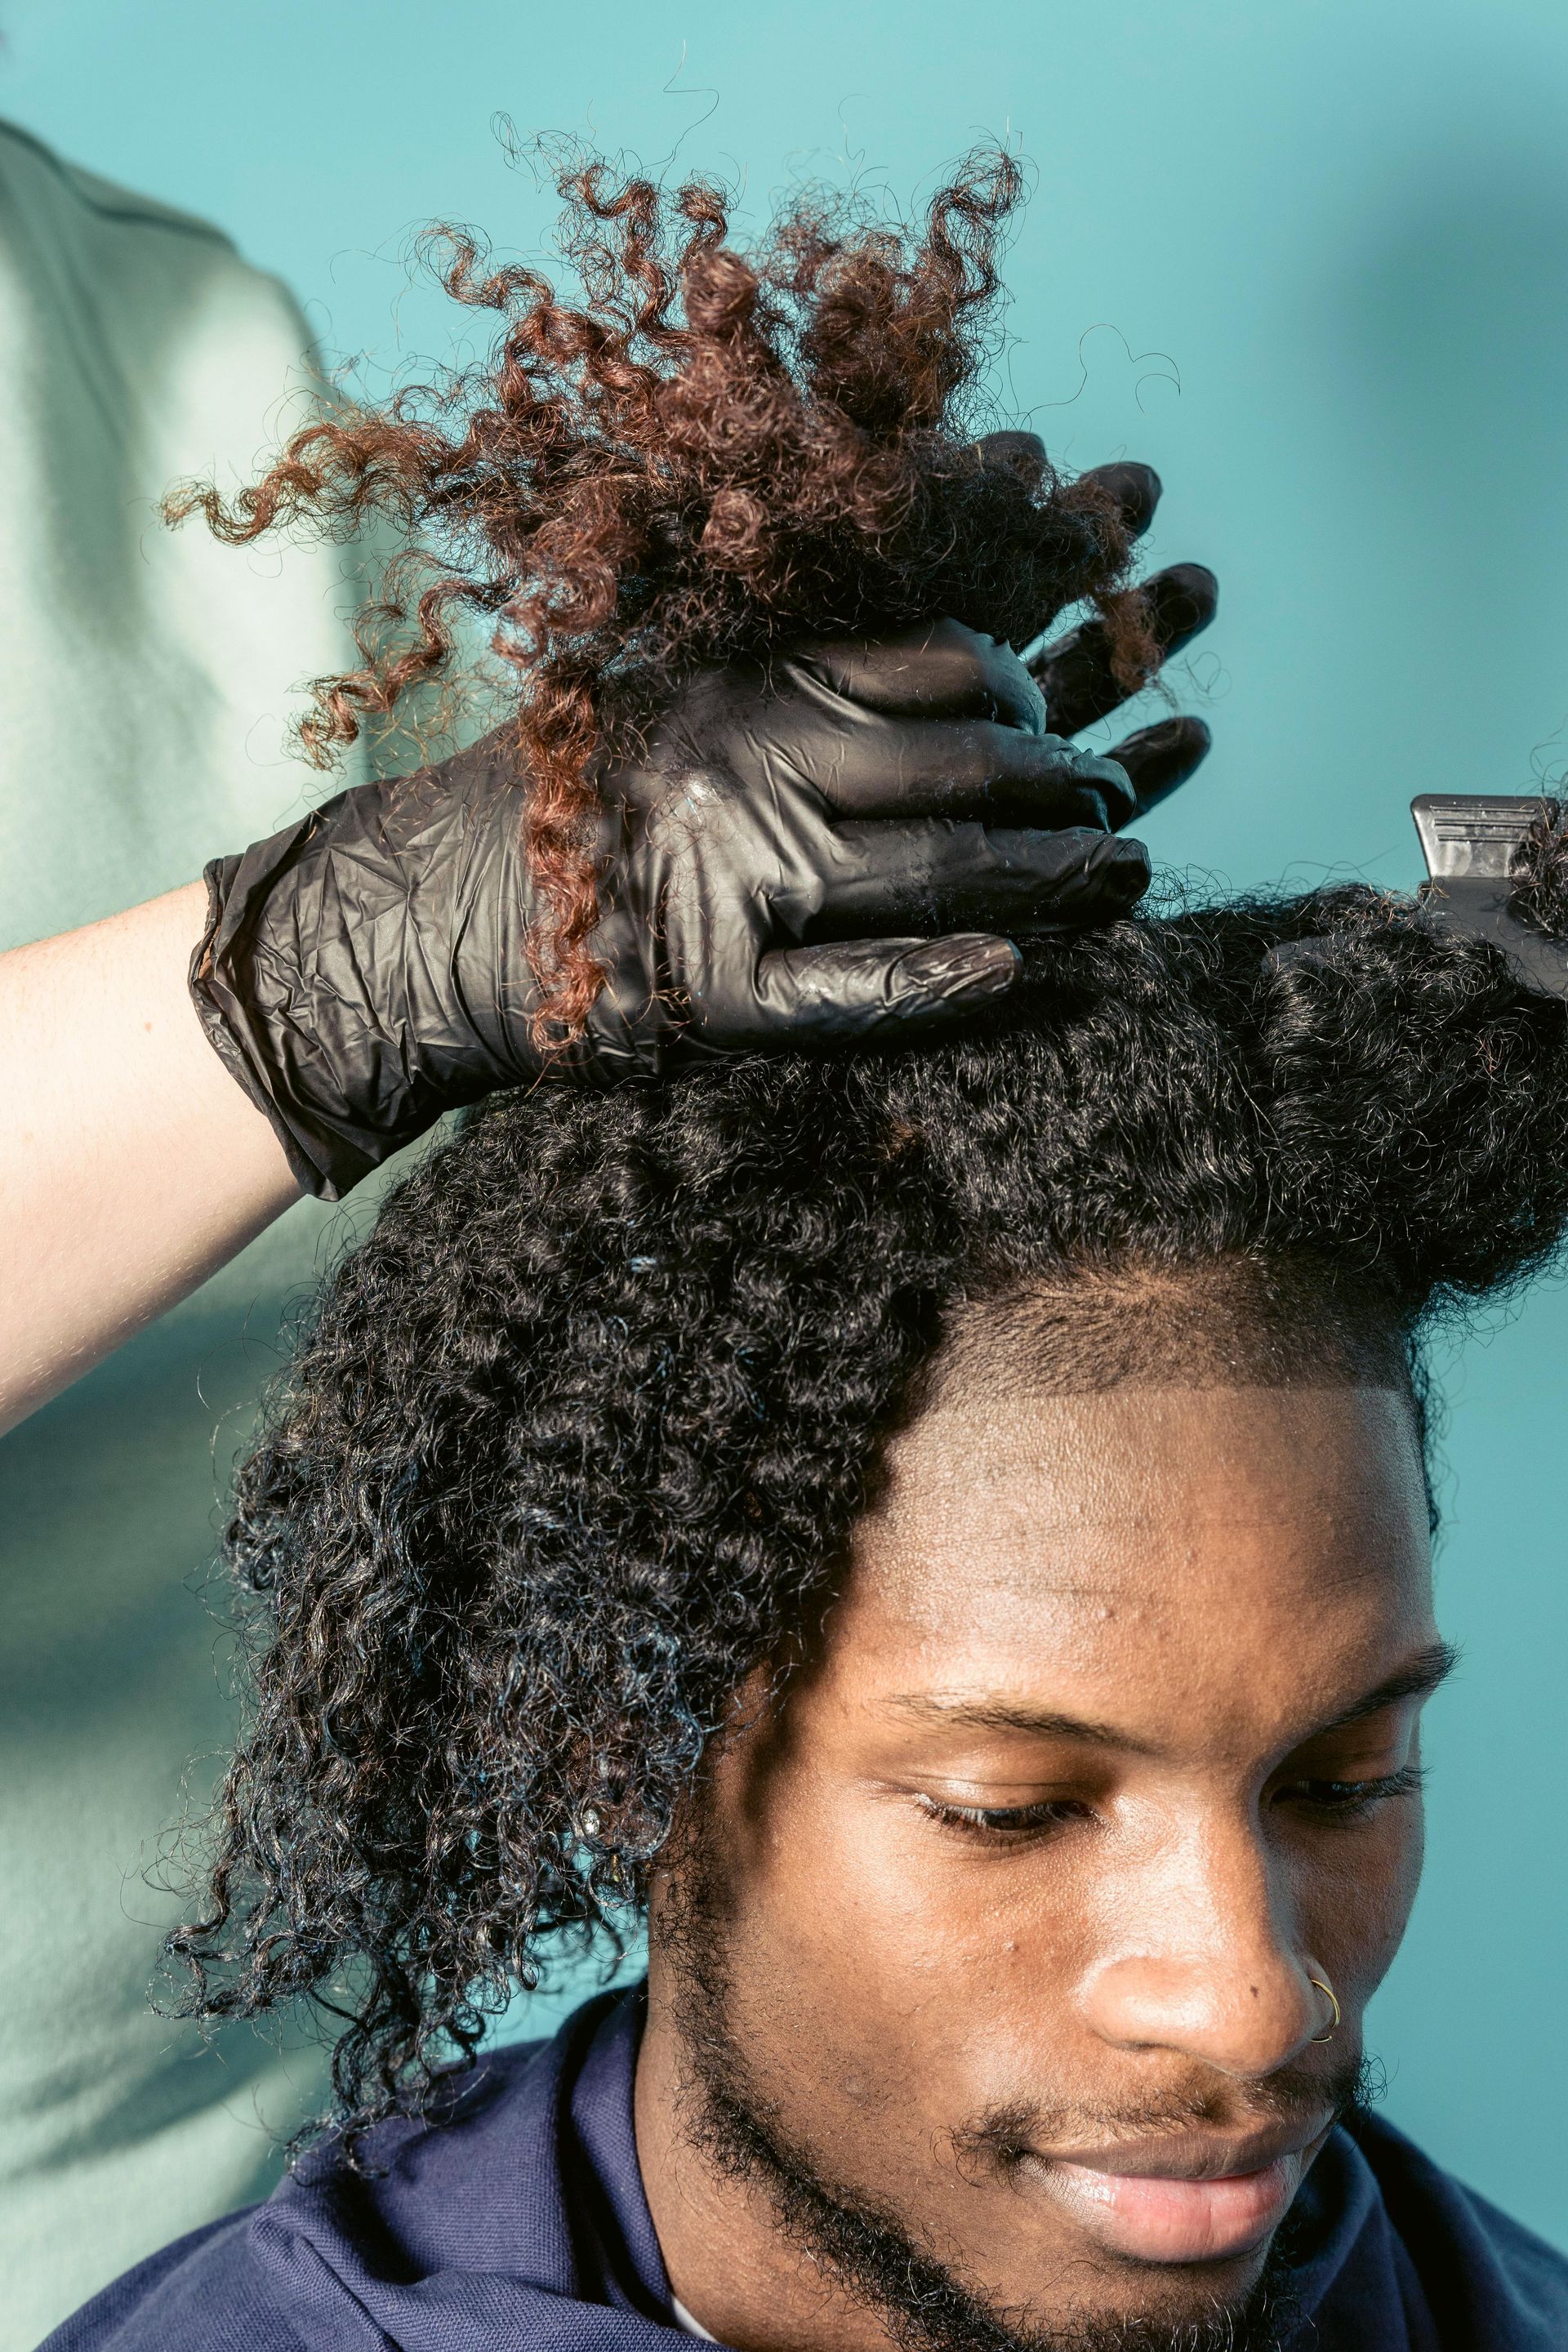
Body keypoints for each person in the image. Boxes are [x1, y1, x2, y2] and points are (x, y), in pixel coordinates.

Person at [0, 134, 1216, 2340]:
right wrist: (359, 956)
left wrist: (882, 876)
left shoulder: (184, 341)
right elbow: (458, 941)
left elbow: (578, 1154)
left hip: (273, 2183)